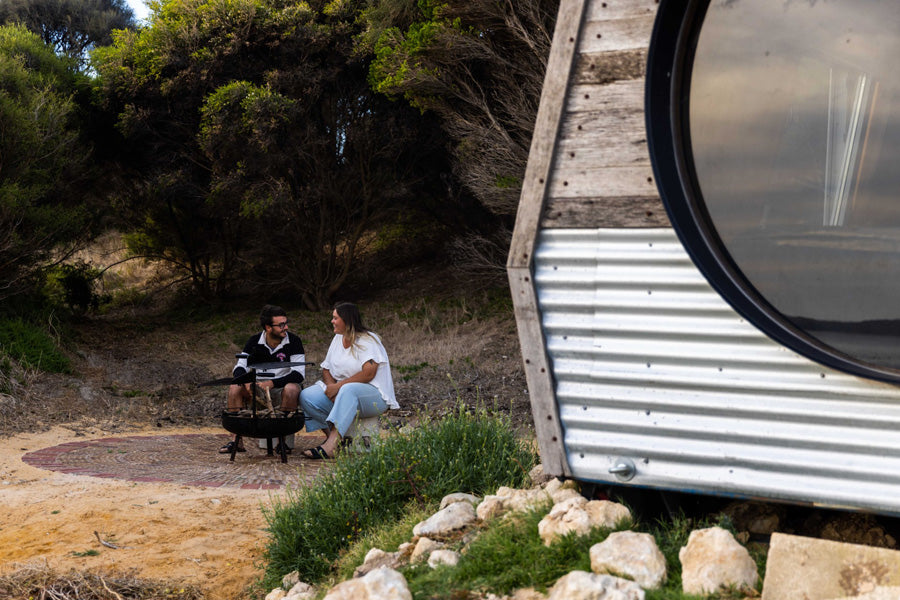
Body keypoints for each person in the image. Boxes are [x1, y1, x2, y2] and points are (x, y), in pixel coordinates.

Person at [299, 302, 397, 459]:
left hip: (374, 397)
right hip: (344, 394)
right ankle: (336, 438)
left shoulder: (368, 340)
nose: (332, 321)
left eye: (335, 318)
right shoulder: (337, 338)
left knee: (348, 389)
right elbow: (326, 368)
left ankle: (331, 445)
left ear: (347, 320)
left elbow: (368, 373)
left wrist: (338, 387)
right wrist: (331, 387)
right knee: (307, 396)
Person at [219, 304, 306, 454]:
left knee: (292, 388)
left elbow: (298, 374)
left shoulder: (294, 342)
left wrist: (273, 383)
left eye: (286, 323)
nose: (285, 327)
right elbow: (240, 366)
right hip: (257, 389)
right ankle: (236, 441)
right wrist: (246, 381)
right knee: (235, 387)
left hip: (281, 389)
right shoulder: (254, 342)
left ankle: (282, 443)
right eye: (281, 325)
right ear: (268, 327)